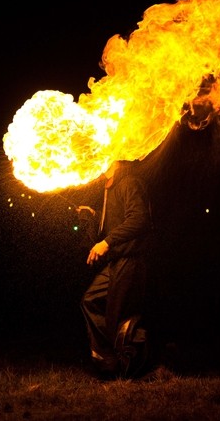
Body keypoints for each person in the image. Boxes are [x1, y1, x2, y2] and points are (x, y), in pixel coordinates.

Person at [76, 159, 154, 380]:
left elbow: (140, 219)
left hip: (130, 259)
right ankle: (109, 360)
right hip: (115, 262)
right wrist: (92, 217)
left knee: (119, 315)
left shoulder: (130, 182)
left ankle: (135, 370)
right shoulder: (109, 188)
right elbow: (111, 225)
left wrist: (107, 243)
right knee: (91, 301)